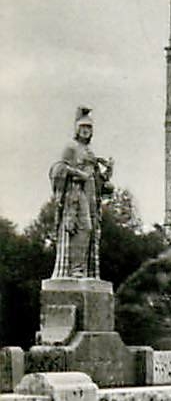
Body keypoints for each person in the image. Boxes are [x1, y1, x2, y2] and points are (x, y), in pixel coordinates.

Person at [50, 107, 111, 279]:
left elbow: (99, 179)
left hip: (91, 193)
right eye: (83, 127)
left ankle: (85, 269)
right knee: (82, 227)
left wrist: (107, 172)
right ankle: (75, 268)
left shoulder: (90, 151)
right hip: (76, 193)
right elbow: (58, 169)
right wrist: (78, 174)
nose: (86, 130)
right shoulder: (71, 147)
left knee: (91, 231)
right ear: (77, 129)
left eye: (89, 127)